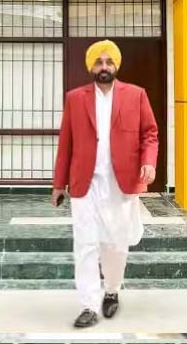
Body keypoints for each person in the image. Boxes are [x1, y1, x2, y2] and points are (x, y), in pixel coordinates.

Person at [51, 39, 159, 328]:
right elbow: (66, 142)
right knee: (85, 244)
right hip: (84, 184)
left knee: (116, 244)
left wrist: (149, 161)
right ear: (91, 66)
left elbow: (149, 133)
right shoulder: (75, 98)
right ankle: (88, 305)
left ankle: (111, 290)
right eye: (99, 62)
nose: (104, 66)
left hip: (121, 184)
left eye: (109, 61)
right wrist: (59, 184)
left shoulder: (136, 95)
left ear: (116, 65)